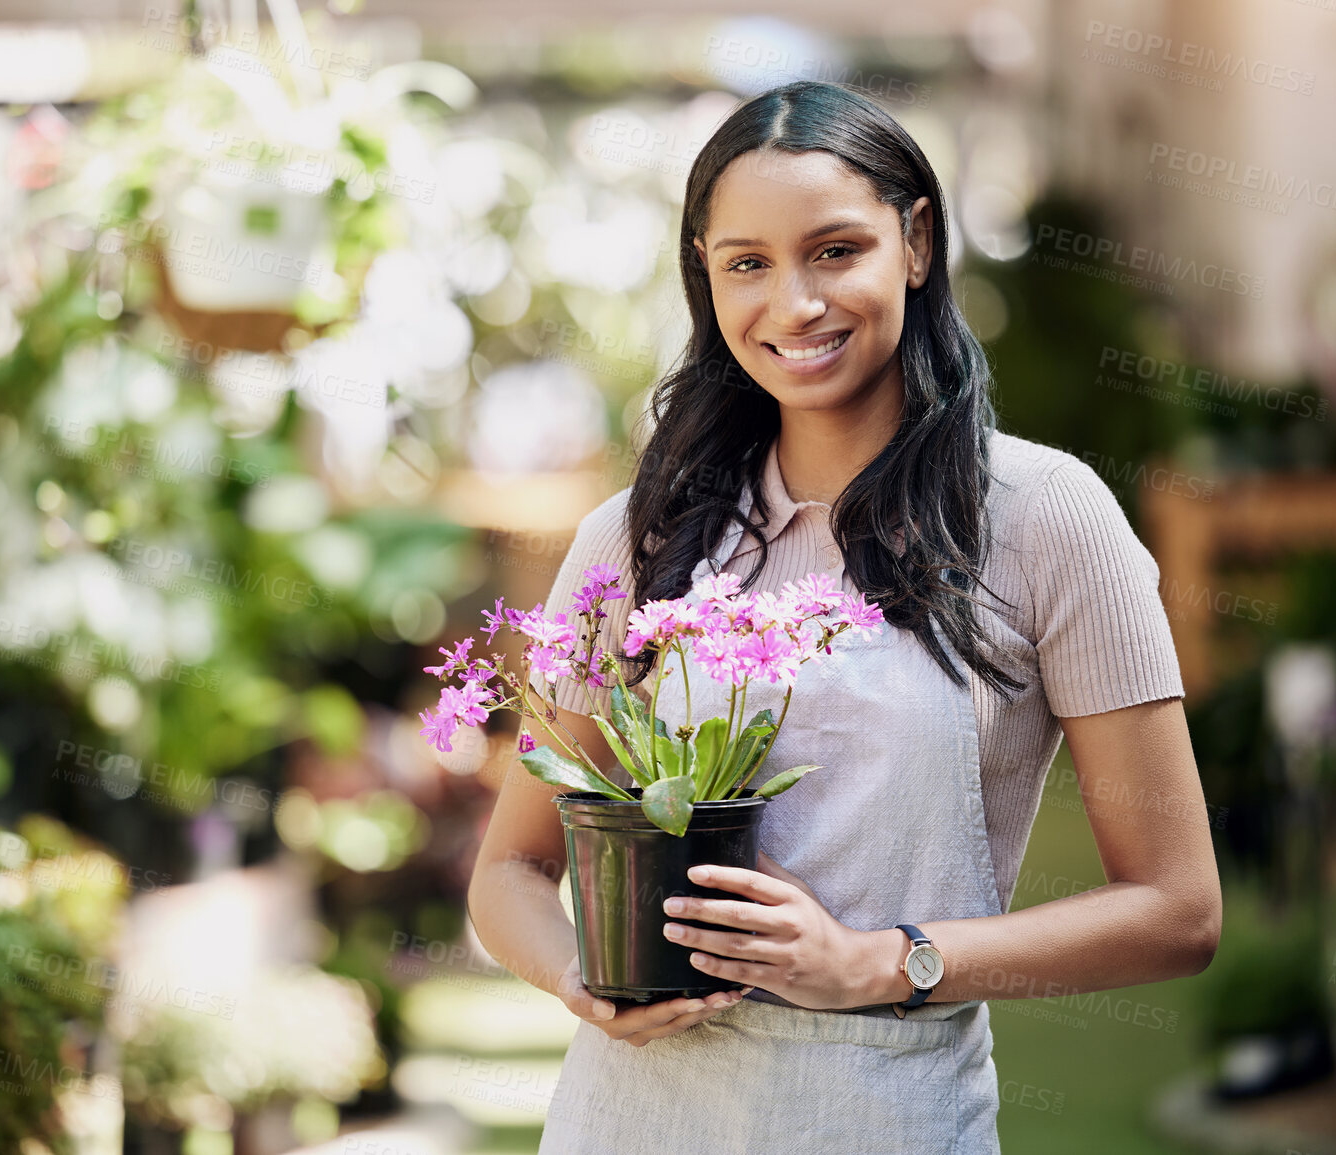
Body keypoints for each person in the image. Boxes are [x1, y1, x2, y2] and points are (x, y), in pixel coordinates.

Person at [466, 79, 1221, 1153]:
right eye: (747, 264)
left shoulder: (1047, 520)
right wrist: (583, 980)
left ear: (914, 242)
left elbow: (1178, 911)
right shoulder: (637, 539)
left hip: (889, 1116)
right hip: (631, 1121)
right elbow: (510, 872)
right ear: (707, 279)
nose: (795, 305)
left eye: (834, 250)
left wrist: (881, 961)